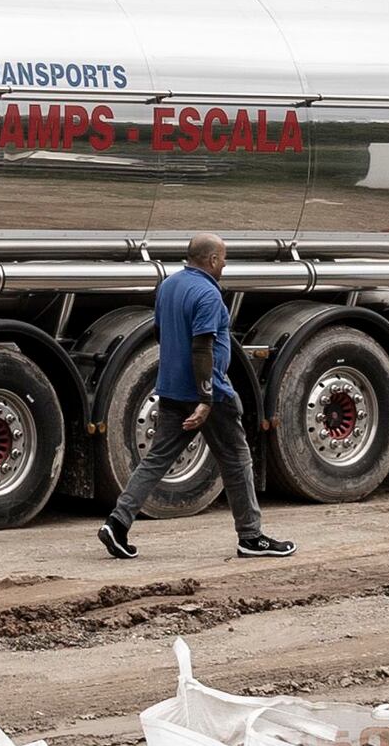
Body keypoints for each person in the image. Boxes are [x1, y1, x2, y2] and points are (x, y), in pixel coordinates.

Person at [101, 233, 291, 563]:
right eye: (224, 258)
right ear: (212, 260)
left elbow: (161, 334)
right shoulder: (208, 296)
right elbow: (202, 347)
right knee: (236, 460)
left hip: (172, 389)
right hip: (209, 394)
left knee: (157, 459)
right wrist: (205, 398)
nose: (226, 263)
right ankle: (251, 536)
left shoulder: (168, 287)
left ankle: (117, 523)